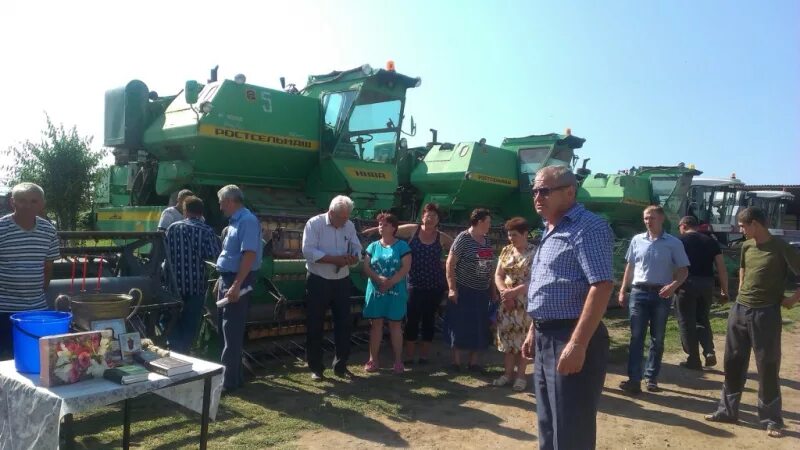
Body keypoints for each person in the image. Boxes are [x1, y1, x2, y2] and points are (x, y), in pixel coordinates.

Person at [522, 166, 614, 450]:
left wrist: (578, 343)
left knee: (571, 429)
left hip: (569, 336)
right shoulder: (550, 229)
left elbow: (601, 286)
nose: (538, 196)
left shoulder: (588, 227)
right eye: (535, 190)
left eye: (545, 190)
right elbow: (545, 284)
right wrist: (532, 330)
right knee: (548, 424)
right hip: (545, 336)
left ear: (570, 191)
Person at [705, 207, 800, 438]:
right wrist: (740, 292)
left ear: (755, 224)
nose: (740, 229)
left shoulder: (781, 248)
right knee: (733, 361)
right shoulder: (746, 246)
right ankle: (727, 410)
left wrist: (792, 299)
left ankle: (771, 419)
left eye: (742, 225)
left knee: (767, 365)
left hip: (766, 313)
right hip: (740, 310)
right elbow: (743, 268)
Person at [362, 203, 453, 364]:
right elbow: (390, 228)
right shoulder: (413, 230)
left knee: (429, 320)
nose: (430, 218)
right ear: (422, 216)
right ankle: (409, 356)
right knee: (411, 319)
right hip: (413, 283)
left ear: (438, 219)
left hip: (434, 284)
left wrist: (447, 262)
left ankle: (424, 356)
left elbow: (455, 250)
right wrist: (372, 230)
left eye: (434, 216)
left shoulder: (442, 237)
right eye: (427, 215)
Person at [618, 205, 689, 394]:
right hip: (639, 293)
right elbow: (630, 266)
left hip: (661, 295)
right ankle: (634, 379)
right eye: (646, 218)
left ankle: (651, 378)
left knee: (657, 339)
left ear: (662, 219)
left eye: (652, 218)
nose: (648, 221)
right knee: (636, 337)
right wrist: (623, 290)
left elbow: (683, 271)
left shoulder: (673, 243)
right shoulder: (637, 240)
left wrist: (673, 286)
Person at [301, 195, 362, 380]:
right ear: (331, 212)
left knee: (344, 323)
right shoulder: (314, 224)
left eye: (347, 217)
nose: (345, 221)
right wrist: (334, 259)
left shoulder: (349, 226)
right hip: (318, 280)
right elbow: (308, 251)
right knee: (315, 324)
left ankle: (341, 365)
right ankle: (315, 367)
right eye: (341, 217)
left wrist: (353, 258)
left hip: (342, 280)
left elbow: (357, 248)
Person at [0, 183, 60, 358]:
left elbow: (48, 266)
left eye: (34, 201)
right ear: (13, 202)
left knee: (34, 356)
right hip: (3, 309)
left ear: (42, 204)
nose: (28, 206)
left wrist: (39, 291)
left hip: (36, 309)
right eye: (22, 201)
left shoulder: (48, 230)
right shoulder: (1, 228)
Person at [215, 185, 262, 392]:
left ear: (231, 201)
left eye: (221, 203)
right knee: (227, 331)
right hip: (228, 278)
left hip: (236, 280)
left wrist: (236, 285)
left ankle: (229, 382)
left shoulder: (247, 221)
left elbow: (249, 255)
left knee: (231, 333)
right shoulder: (236, 221)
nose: (220, 207)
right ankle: (235, 377)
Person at [166, 196, 221, 353]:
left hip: (174, 285)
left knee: (172, 319)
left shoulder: (172, 228)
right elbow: (215, 259)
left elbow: (165, 254)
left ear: (185, 211)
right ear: (201, 212)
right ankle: (185, 351)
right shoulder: (207, 231)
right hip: (197, 286)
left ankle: (174, 348)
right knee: (190, 321)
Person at [675, 215, 729, 369]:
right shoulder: (710, 241)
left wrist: (671, 285)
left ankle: (693, 358)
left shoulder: (679, 242)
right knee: (703, 318)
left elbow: (673, 266)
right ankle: (709, 351)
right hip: (706, 284)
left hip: (686, 284)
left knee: (686, 321)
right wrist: (725, 291)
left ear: (683, 226)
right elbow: (721, 267)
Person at [362, 213, 412, 374]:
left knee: (395, 325)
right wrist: (378, 279)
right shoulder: (373, 246)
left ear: (393, 227)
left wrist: (390, 282)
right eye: (379, 224)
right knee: (375, 325)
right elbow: (366, 267)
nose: (380, 227)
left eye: (384, 224)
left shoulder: (402, 246)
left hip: (396, 290)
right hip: (376, 290)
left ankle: (398, 361)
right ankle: (373, 360)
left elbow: (405, 268)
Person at [446, 208, 494, 371]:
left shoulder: (486, 240)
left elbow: (487, 265)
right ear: (479, 222)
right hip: (463, 288)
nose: (489, 226)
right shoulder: (463, 238)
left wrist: (491, 289)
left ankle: (473, 362)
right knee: (459, 324)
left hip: (481, 290)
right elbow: (450, 264)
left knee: (478, 325)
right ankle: (456, 361)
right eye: (487, 222)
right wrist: (452, 288)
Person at [492, 217, 536, 392]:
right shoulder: (506, 251)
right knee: (508, 339)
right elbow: (498, 275)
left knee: (523, 340)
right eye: (509, 235)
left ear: (525, 234)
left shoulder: (535, 252)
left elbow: (536, 280)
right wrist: (505, 293)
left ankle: (521, 376)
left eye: (515, 235)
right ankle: (507, 374)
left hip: (524, 302)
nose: (511, 238)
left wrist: (514, 292)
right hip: (507, 302)